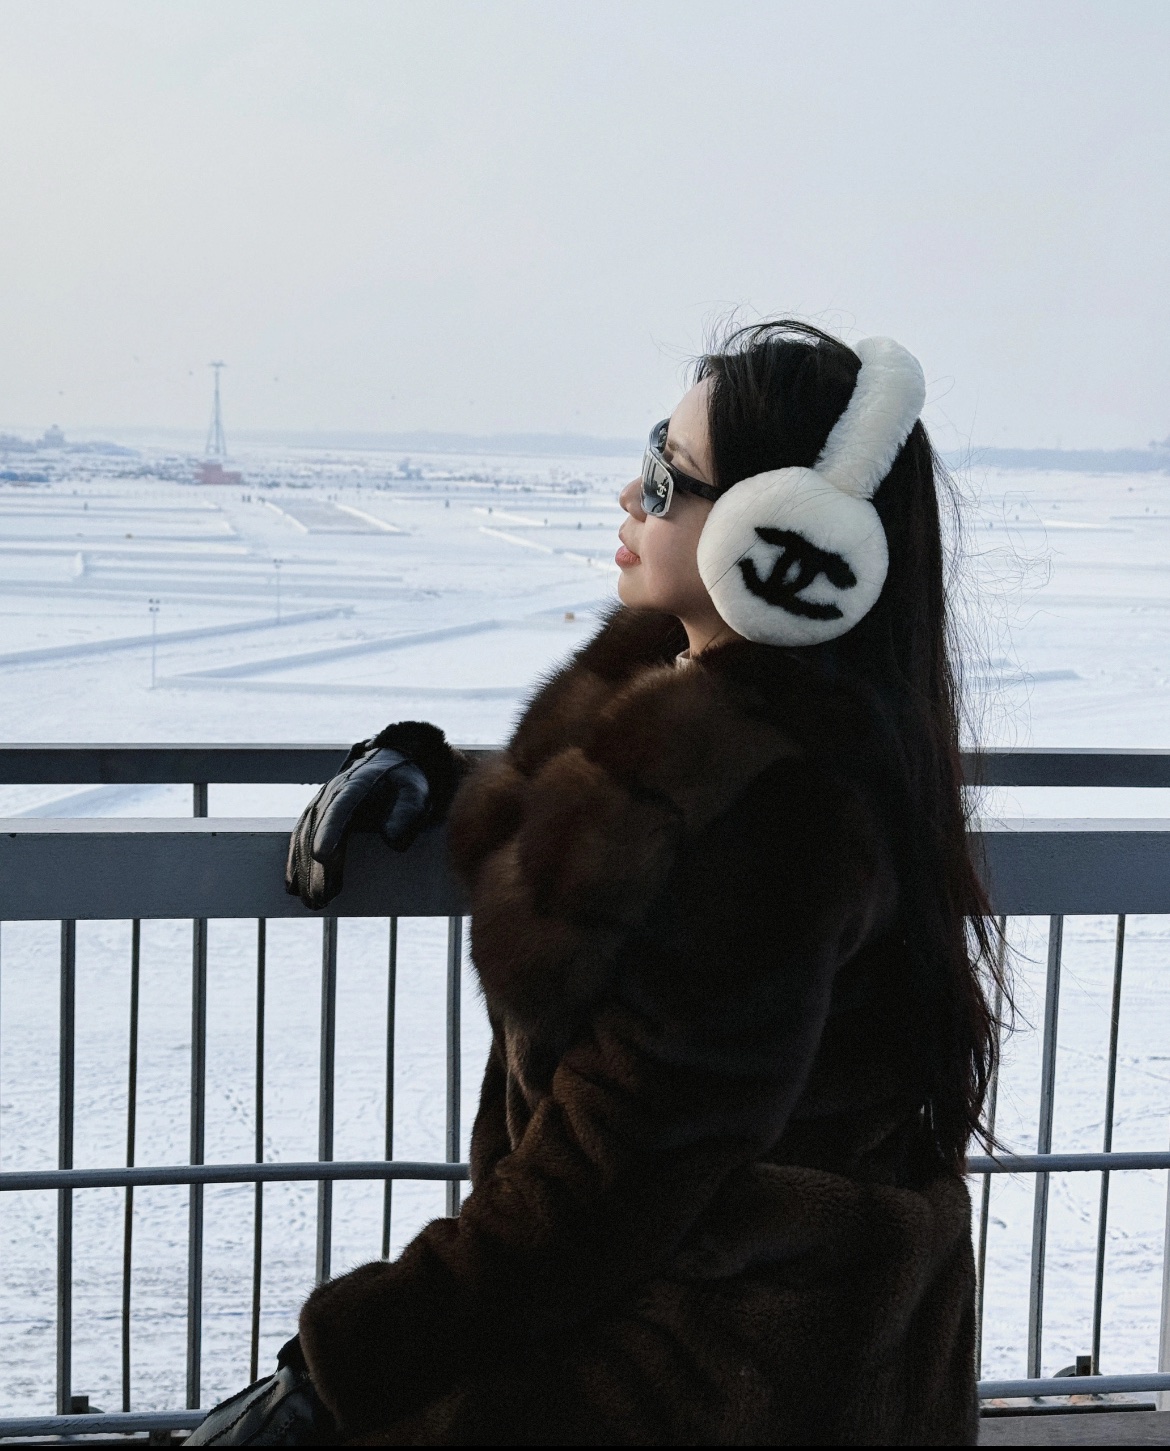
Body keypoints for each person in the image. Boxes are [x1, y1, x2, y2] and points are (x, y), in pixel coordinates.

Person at [193, 320, 1000, 1446]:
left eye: (669, 475)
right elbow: (617, 826)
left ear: (776, 534)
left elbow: (610, 1179)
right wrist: (435, 775)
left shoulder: (778, 812)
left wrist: (332, 1374)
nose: (631, 492)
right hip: (709, 1312)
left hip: (729, 1363)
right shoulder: (732, 720)